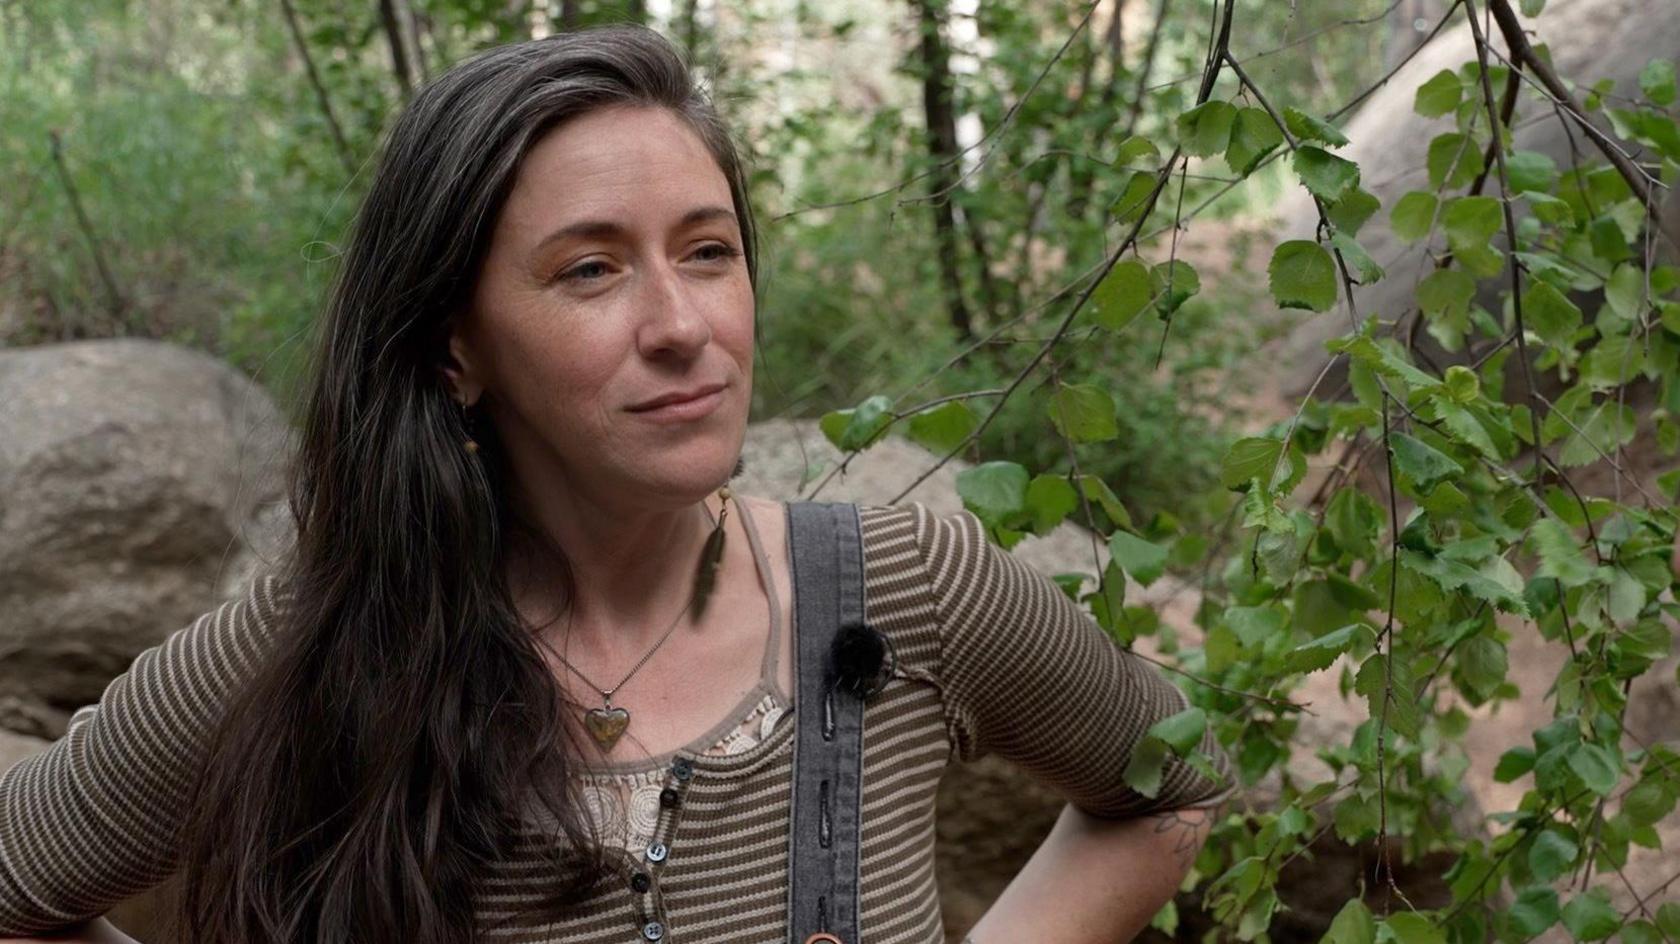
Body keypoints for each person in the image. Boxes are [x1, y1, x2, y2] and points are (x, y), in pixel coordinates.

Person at [0, 24, 1232, 944]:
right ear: (454, 345)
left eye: (708, 251)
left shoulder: (902, 590)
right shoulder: (326, 637)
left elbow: (1174, 781)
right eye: (590, 270)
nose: (681, 322)